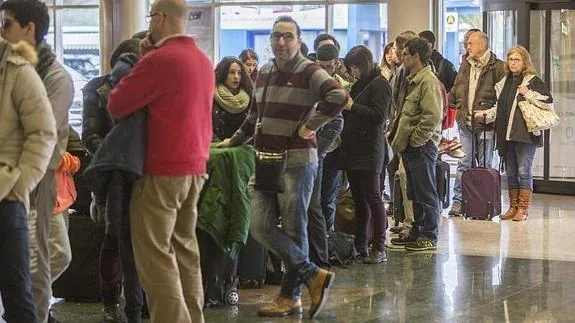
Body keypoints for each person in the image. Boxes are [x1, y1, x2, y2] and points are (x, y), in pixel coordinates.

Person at [217, 16, 349, 319]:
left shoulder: (309, 70)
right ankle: (313, 274)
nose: (281, 42)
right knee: (260, 226)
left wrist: (310, 126)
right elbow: (255, 116)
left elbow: (339, 96)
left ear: (299, 39)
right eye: (277, 36)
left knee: (293, 227)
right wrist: (234, 140)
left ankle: (290, 297)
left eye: (288, 36)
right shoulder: (263, 72)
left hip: (298, 162)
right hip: (265, 160)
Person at [107, 0, 214, 322]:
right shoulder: (202, 60)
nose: (150, 21)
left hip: (161, 170)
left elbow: (117, 102)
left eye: (151, 15)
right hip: (195, 169)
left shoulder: (160, 59)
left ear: (161, 18)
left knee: (155, 258)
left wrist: (146, 55)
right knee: (185, 252)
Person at [0, 1, 74, 322]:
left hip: (32, 182)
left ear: (29, 29)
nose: (3, 32)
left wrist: (20, 182)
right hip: (15, 183)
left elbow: (44, 134)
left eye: (8, 24)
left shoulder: (52, 77)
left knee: (37, 259)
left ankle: (40, 314)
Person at [83, 37, 146, 323]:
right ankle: (111, 302)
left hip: (144, 173)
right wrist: (116, 154)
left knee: (144, 243)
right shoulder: (97, 89)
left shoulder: (147, 89)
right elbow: (90, 135)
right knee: (113, 239)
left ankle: (140, 302)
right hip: (112, 175)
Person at [0, 38, 57, 322]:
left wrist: (19, 185)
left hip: (6, 198)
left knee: (18, 296)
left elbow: (44, 133)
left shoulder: (17, 70)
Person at [486, 45, 552, 221]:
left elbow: (548, 102)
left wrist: (528, 93)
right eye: (510, 59)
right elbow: (501, 107)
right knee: (511, 172)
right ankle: (513, 206)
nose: (513, 62)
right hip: (506, 134)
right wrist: (486, 115)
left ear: (524, 62)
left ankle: (523, 208)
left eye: (517, 59)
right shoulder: (505, 81)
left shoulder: (532, 80)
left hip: (525, 135)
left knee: (524, 170)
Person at [390, 37, 443, 251]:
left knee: (425, 191)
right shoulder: (413, 78)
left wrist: (416, 140)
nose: (402, 57)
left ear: (416, 56)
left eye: (406, 54)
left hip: (421, 146)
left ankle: (429, 235)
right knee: (414, 191)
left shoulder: (427, 81)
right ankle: (416, 231)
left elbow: (432, 116)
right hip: (410, 146)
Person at [340, 45, 391, 263]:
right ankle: (360, 243)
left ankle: (379, 246)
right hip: (353, 148)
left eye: (355, 67)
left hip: (370, 148)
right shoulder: (358, 85)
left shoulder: (380, 85)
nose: (353, 72)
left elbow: (379, 116)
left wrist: (352, 107)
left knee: (373, 197)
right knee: (358, 198)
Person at [448, 31, 506, 216]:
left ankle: (483, 202)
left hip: (486, 124)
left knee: (484, 163)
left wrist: (488, 114)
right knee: (464, 162)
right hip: (465, 121)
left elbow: (502, 98)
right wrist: (455, 104)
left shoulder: (498, 68)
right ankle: (458, 202)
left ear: (482, 45)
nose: (467, 46)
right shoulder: (465, 65)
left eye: (471, 43)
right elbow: (457, 88)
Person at [307, 43, 345, 268]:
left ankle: (321, 256)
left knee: (320, 204)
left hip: (321, 153)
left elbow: (337, 122)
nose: (324, 70)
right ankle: (313, 255)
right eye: (320, 66)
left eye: (328, 67)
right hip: (308, 153)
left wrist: (317, 149)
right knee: (310, 206)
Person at [212, 56, 253, 141]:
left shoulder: (250, 96)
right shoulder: (211, 95)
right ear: (223, 73)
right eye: (231, 72)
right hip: (216, 148)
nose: (236, 77)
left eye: (240, 73)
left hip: (243, 148)